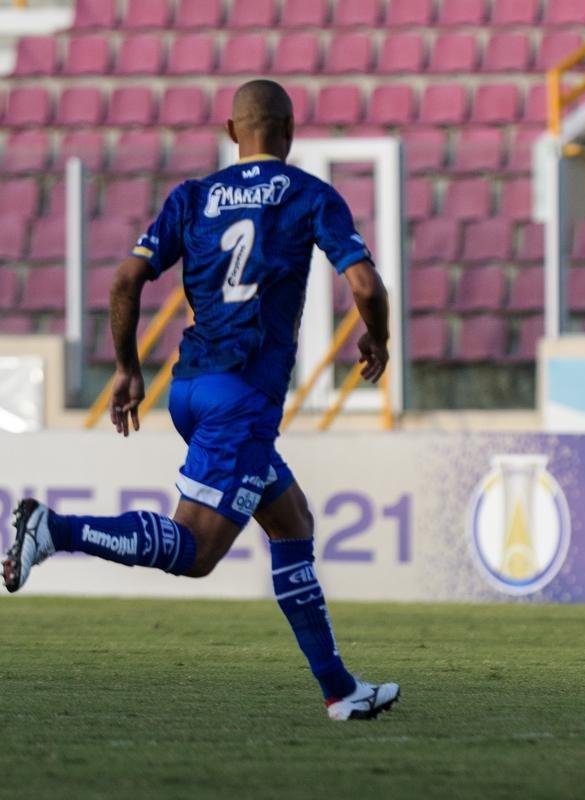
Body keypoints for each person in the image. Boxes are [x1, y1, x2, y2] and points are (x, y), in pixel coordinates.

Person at [4, 80, 399, 719]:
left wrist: (128, 369)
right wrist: (377, 338)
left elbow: (126, 280)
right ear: (290, 131)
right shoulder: (308, 194)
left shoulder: (192, 197)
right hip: (242, 396)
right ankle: (55, 529)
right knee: (195, 553)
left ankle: (340, 690)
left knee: (292, 521)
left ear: (230, 131)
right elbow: (366, 286)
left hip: (188, 389)